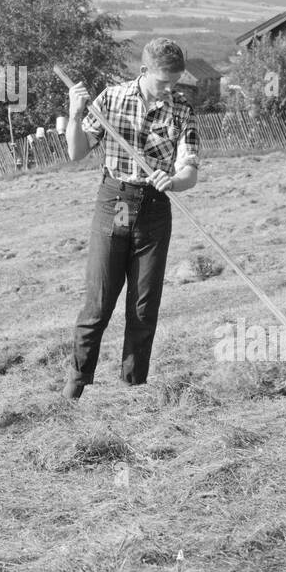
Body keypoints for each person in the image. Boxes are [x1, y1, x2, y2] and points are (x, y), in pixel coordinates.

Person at [62, 39, 200, 400]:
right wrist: (75, 114)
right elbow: (76, 152)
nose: (170, 90)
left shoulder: (182, 109)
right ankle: (75, 386)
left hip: (155, 209)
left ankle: (133, 388)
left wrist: (174, 181)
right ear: (143, 72)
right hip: (115, 202)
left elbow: (190, 169)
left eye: (175, 82)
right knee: (99, 301)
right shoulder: (110, 99)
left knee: (143, 306)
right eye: (163, 83)